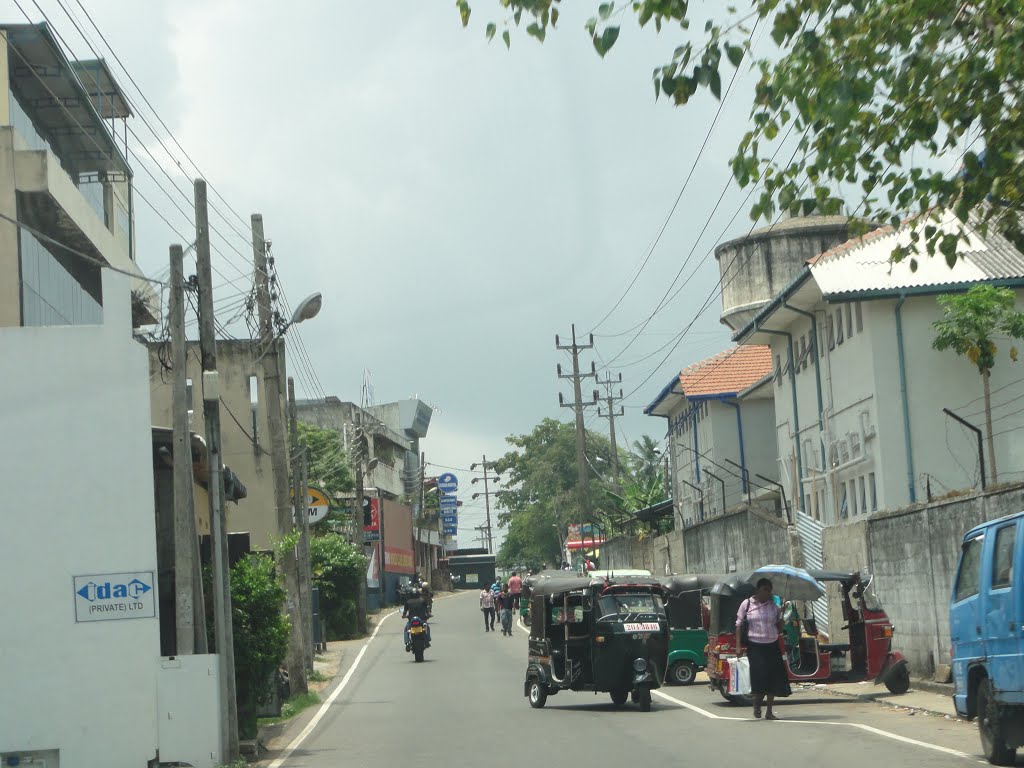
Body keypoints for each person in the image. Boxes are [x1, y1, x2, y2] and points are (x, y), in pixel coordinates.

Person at [736, 578, 791, 720]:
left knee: (773, 677)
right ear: (758, 590)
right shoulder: (747, 604)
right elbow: (738, 625)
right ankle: (757, 705)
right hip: (755, 646)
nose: (768, 593)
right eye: (765, 589)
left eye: (769, 590)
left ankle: (769, 711)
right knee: (759, 677)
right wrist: (738, 646)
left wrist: (782, 616)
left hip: (772, 644)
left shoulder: (773, 606)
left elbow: (779, 629)